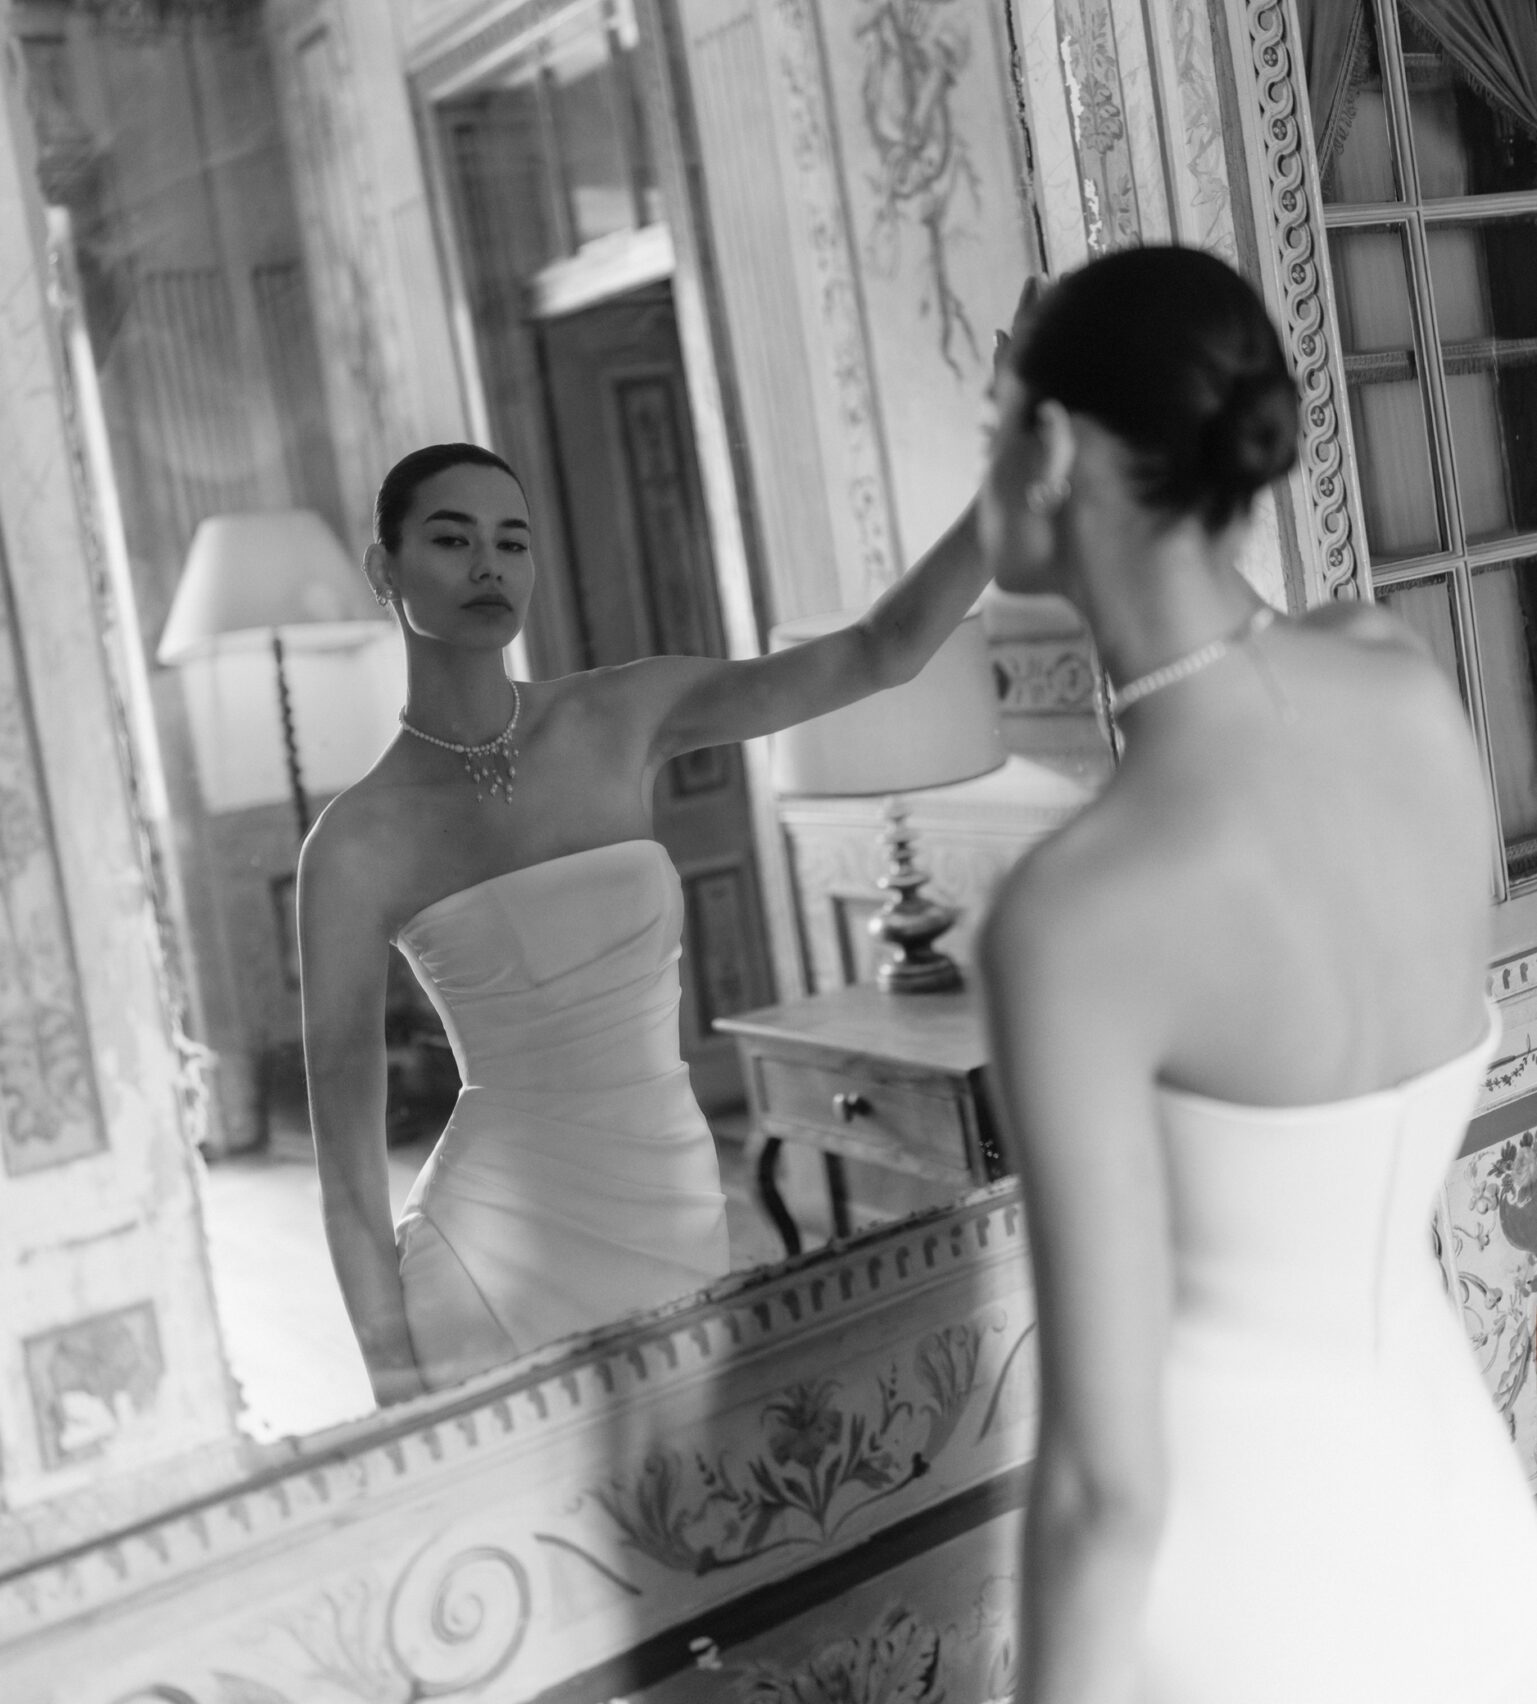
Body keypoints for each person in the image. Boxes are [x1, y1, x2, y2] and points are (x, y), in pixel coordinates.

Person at [975, 246, 1537, 1704]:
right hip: (1464, 1520)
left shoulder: (1080, 910)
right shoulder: (1395, 677)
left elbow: (1104, 1491)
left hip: (1237, 1594)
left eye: (993, 421)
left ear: (1049, 448)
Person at [299, 440, 989, 1405]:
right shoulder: (354, 844)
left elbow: (883, 650)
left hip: (674, 1209)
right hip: (489, 1260)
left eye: (512, 541)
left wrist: (1011, 485)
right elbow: (344, 1167)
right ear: (385, 568)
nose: (489, 565)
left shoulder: (621, 715)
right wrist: (397, 1388)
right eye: (452, 540)